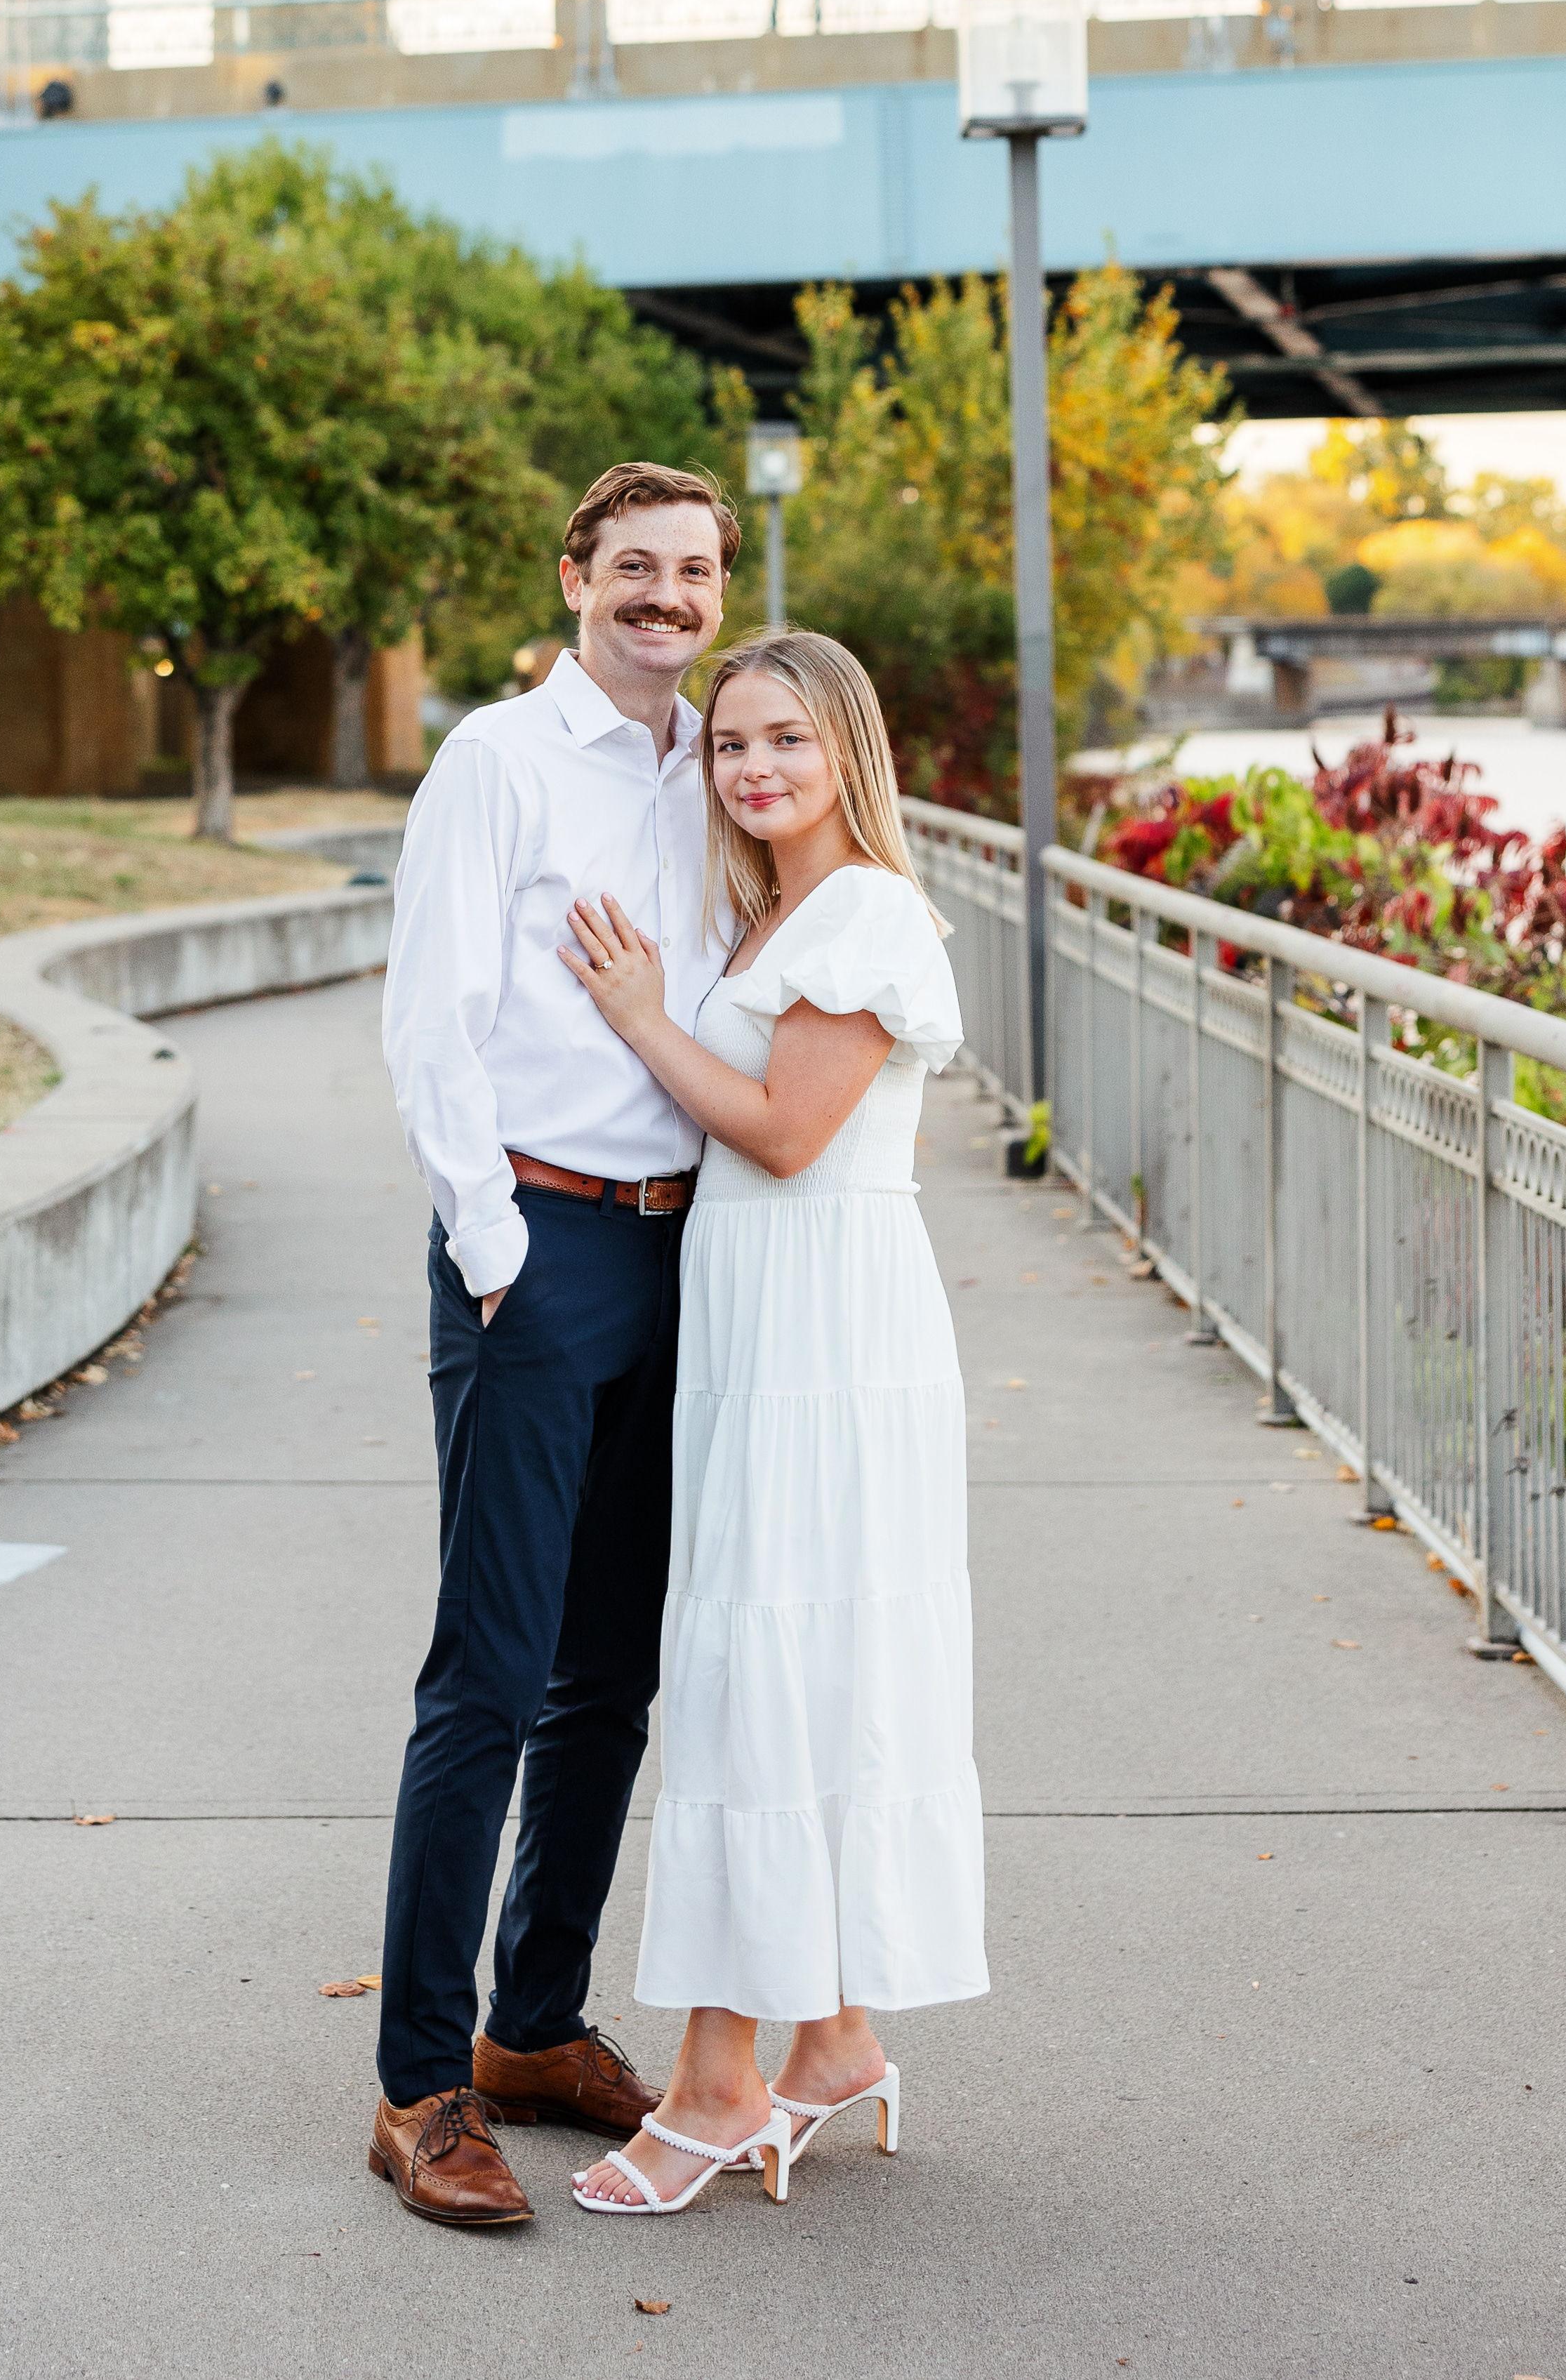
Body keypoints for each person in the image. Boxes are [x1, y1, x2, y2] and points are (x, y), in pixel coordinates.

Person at [553, 626, 983, 2218]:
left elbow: (788, 1133)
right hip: (766, 1317)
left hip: (825, 1330)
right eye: (730, 742)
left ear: (846, 750)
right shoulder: (776, 912)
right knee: (793, 1661)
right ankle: (835, 2040)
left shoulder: (864, 909)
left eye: (786, 739)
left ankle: (717, 2085)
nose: (752, 767)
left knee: (764, 1667)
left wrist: (638, 1015)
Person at [366, 461, 742, 2230]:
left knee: (611, 1676)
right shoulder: (496, 760)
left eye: (697, 570)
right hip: (537, 1245)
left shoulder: (720, 763)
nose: (667, 595)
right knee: (490, 1675)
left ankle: (530, 2024)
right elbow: (428, 1014)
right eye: (636, 565)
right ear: (575, 574)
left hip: (687, 1251)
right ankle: (417, 2083)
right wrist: (493, 1242)